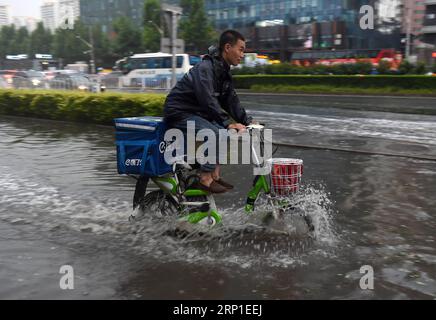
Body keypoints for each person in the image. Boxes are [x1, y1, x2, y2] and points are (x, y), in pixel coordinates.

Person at [164, 30, 253, 194]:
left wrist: (248, 121)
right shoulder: (206, 68)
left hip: (195, 113)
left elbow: (231, 100)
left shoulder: (223, 71)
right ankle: (205, 178)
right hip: (179, 112)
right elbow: (208, 99)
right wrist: (228, 123)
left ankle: (215, 175)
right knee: (216, 133)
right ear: (227, 47)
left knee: (224, 132)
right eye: (240, 49)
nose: (243, 54)